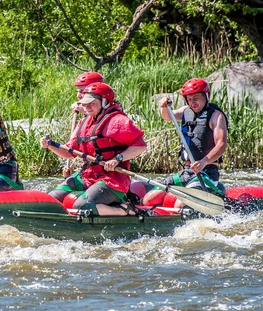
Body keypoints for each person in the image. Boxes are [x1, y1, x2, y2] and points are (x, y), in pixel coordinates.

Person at [40, 82, 147, 216]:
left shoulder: (118, 121)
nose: (87, 107)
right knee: (51, 198)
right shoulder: (84, 122)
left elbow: (140, 146)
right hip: (87, 176)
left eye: (92, 103)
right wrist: (50, 145)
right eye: (85, 103)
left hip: (113, 181)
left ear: (105, 102)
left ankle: (123, 210)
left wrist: (117, 159)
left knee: (82, 205)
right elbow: (69, 152)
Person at [142, 78, 229, 208]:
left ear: (206, 96)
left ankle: (212, 192)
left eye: (195, 98)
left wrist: (204, 161)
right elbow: (167, 116)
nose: (192, 102)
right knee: (148, 200)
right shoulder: (185, 111)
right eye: (189, 99)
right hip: (187, 171)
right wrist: (164, 107)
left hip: (207, 171)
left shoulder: (216, 116)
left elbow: (221, 145)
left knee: (180, 205)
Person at [63, 71, 105, 177]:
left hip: (108, 172)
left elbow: (103, 114)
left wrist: (85, 109)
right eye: (78, 91)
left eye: (82, 91)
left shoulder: (112, 110)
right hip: (90, 170)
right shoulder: (85, 120)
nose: (78, 95)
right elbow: (70, 148)